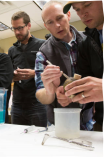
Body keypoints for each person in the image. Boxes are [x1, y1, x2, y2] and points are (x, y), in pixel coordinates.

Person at [34, 0, 93, 130]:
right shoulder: (43, 54)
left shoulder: (90, 41)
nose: (57, 25)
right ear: (46, 26)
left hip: (87, 119)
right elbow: (40, 95)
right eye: (50, 22)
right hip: (59, 122)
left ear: (68, 15)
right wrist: (50, 90)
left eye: (60, 18)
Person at [64, 0, 104, 131]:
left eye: (87, 5)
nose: (82, 14)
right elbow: (86, 82)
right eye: (77, 9)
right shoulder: (86, 42)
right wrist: (70, 92)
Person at [7, 11, 47, 127]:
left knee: (38, 138)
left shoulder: (43, 45)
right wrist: (12, 75)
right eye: (14, 29)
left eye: (20, 28)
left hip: (38, 102)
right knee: (17, 138)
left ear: (29, 25)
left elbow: (52, 71)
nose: (17, 32)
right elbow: (8, 73)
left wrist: (35, 73)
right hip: (17, 103)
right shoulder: (11, 50)